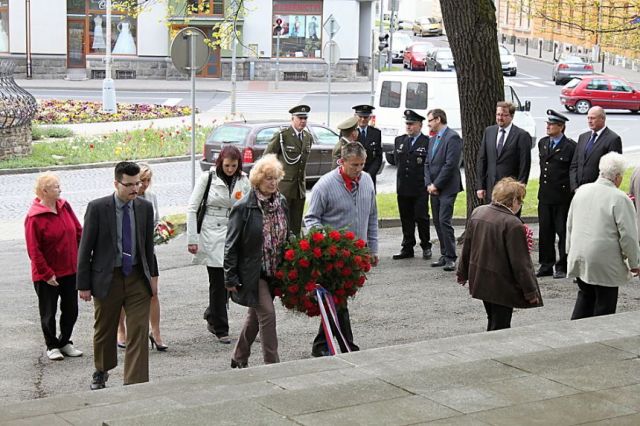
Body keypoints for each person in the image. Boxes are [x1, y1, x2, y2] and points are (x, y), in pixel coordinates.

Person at [77, 161, 159, 390]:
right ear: (116, 183)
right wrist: (83, 284)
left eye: (138, 183)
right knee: (105, 328)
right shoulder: (98, 208)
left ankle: (135, 382)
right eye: (130, 185)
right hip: (107, 278)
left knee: (138, 331)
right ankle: (101, 370)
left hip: (136, 278)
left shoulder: (144, 207)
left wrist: (153, 278)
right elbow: (85, 248)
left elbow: (147, 247)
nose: (135, 189)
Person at [305, 142, 379, 357]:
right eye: (354, 165)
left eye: (362, 164)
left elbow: (372, 216)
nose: (359, 169)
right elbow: (310, 218)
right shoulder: (324, 185)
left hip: (356, 255)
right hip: (332, 256)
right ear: (342, 162)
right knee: (339, 300)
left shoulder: (366, 181)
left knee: (337, 300)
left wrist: (372, 248)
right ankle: (349, 347)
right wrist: (327, 240)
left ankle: (321, 345)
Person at [224, 154, 289, 368]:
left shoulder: (281, 202)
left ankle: (239, 357)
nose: (272, 182)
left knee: (255, 317)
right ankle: (273, 364)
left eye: (275, 178)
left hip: (274, 270)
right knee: (268, 315)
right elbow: (231, 244)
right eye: (268, 178)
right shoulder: (244, 207)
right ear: (257, 180)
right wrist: (230, 277)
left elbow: (288, 234)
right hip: (252, 273)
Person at [457, 177, 543, 331]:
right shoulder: (512, 223)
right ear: (514, 201)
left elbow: (467, 247)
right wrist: (530, 292)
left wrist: (462, 273)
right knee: (501, 325)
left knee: (492, 319)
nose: (520, 204)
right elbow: (521, 264)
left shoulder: (478, 212)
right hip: (501, 284)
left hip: (481, 279)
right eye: (520, 200)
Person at [187, 146, 251, 344]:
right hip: (211, 232)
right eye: (227, 165)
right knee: (218, 281)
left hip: (234, 232)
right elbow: (192, 208)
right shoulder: (208, 178)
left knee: (231, 277)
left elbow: (249, 206)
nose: (230, 169)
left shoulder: (243, 180)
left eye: (234, 165)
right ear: (220, 163)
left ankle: (212, 313)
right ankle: (221, 327)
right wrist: (192, 239)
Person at [566, 152, 640, 320]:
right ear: (618, 177)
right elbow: (628, 236)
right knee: (604, 307)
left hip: (580, 254)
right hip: (605, 261)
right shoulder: (620, 198)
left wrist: (569, 250)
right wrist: (635, 262)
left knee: (585, 297)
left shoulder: (582, 191)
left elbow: (570, 224)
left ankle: (574, 338)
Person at [25, 173, 83, 361]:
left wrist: (84, 254)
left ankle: (64, 341)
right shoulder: (34, 217)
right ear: (45, 191)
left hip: (70, 269)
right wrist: (46, 273)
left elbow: (78, 230)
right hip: (47, 275)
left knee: (71, 309)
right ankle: (52, 345)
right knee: (48, 312)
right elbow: (34, 250)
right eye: (56, 186)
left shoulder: (64, 206)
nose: (60, 189)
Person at [117, 163, 167, 351]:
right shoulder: (123, 196)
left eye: (147, 181)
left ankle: (156, 332)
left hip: (147, 252)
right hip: (127, 253)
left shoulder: (150, 198)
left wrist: (161, 232)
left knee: (153, 293)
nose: (143, 185)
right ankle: (121, 330)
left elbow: (156, 221)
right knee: (121, 295)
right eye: (141, 181)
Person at [536, 110, 576, 279]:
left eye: (551, 124)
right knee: (545, 232)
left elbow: (571, 170)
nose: (548, 126)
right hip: (545, 196)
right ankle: (546, 264)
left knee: (562, 232)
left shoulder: (570, 146)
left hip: (562, 197)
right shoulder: (543, 143)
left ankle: (563, 265)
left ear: (561, 127)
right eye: (547, 124)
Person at [424, 108, 463, 272]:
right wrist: (429, 184)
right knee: (437, 222)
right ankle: (444, 254)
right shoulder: (433, 140)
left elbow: (450, 164)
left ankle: (451, 257)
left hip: (447, 188)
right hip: (433, 189)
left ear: (438, 119)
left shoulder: (452, 137)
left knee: (444, 221)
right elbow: (427, 163)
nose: (429, 124)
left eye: (430, 121)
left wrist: (437, 185)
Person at [264, 104, 312, 236]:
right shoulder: (282, 136)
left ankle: (294, 252)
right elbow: (267, 158)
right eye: (300, 118)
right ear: (293, 119)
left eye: (305, 118)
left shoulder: (308, 137)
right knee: (281, 224)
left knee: (296, 225)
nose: (303, 121)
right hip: (284, 187)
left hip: (299, 189)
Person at [393, 109, 432, 260]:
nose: (408, 127)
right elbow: (398, 162)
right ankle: (407, 247)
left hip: (420, 187)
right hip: (403, 187)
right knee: (406, 217)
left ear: (420, 125)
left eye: (412, 124)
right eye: (407, 124)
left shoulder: (427, 142)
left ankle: (426, 245)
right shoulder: (400, 141)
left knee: (421, 217)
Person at [476, 101, 531, 203]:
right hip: (490, 188)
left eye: (504, 115)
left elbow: (524, 165)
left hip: (510, 191)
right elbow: (482, 159)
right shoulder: (489, 131)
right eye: (498, 114)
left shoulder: (521, 135)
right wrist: (480, 186)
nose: (500, 118)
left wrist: (519, 190)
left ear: (511, 116)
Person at [569, 106, 622, 192]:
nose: (589, 121)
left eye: (593, 118)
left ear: (602, 119)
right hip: (578, 191)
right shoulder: (583, 137)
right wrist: (575, 187)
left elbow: (612, 171)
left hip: (598, 191)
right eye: (588, 118)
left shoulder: (613, 139)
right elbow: (574, 165)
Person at [353, 104, 383, 190]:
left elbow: (378, 156)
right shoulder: (349, 132)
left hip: (370, 176)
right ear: (355, 116)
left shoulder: (376, 133)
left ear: (370, 118)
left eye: (365, 117)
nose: (363, 119)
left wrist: (370, 174)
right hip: (353, 175)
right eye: (360, 116)